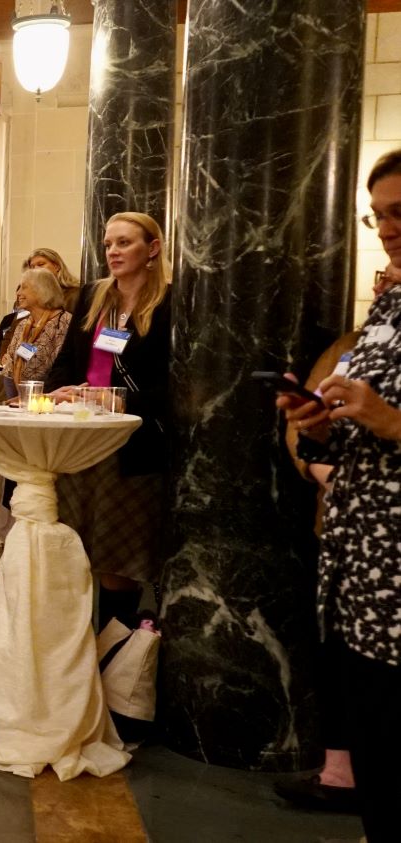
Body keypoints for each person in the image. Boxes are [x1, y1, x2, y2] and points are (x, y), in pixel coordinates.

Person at [281, 151, 401, 838]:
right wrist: (321, 428)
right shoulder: (389, 312)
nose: (387, 229)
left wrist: (389, 419)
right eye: (378, 214)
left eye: (400, 212)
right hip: (363, 575)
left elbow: (387, 421)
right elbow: (359, 434)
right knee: (376, 750)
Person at [46, 211, 172, 630]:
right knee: (76, 552)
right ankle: (78, 663)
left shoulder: (169, 302)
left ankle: (115, 659)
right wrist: (61, 390)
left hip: (132, 448)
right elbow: (66, 362)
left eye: (124, 243)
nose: (113, 252)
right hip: (83, 441)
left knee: (117, 561)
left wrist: (116, 399)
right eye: (108, 244)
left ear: (151, 249)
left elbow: (175, 387)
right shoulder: (93, 297)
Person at [0, 268, 71, 394]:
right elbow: (9, 360)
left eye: (24, 287)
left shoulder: (63, 322)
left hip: (50, 400)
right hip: (17, 398)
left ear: (42, 290)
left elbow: (61, 368)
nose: (18, 292)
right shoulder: (23, 325)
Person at [24, 247, 82, 312]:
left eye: (41, 264)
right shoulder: (30, 297)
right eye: (32, 267)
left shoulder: (76, 294)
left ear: (56, 266)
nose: (35, 269)